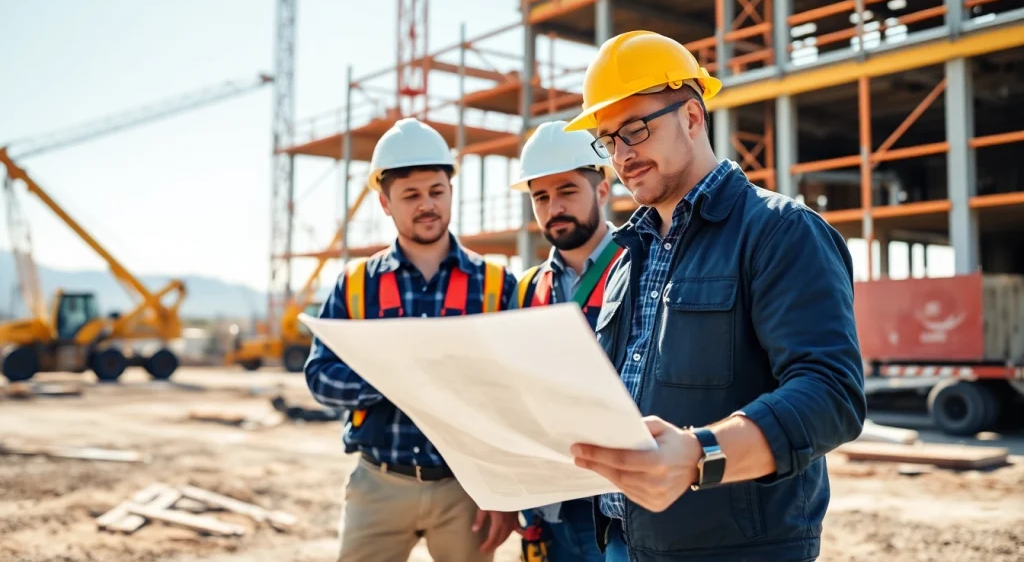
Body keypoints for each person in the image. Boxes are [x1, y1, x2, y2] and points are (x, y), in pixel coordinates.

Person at [560, 30, 867, 561]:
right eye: (608, 141)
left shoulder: (779, 231)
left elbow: (831, 393)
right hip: (622, 542)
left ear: (693, 117)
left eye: (634, 130)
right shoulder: (626, 256)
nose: (622, 155)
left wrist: (703, 455)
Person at [304, 118, 521, 562]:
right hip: (379, 484)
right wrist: (392, 381)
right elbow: (320, 376)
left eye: (437, 192)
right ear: (385, 203)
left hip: (467, 489)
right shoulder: (356, 284)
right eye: (411, 195)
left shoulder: (497, 285)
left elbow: (515, 396)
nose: (428, 205)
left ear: (451, 191)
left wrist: (505, 491)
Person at [507, 120, 620, 562]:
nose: (553, 207)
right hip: (550, 504)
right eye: (541, 196)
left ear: (603, 191)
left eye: (567, 191)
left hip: (616, 505)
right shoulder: (527, 288)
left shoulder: (640, 269)